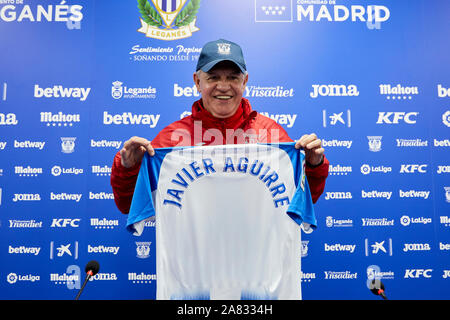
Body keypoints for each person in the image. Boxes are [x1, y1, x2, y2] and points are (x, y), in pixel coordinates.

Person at [111, 39, 329, 214]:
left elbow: (303, 200)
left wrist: (313, 164)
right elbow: (130, 207)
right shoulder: (172, 139)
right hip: (193, 266)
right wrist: (128, 168)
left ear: (245, 81)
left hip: (257, 264)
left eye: (233, 77)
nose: (223, 86)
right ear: (197, 81)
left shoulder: (270, 134)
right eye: (213, 77)